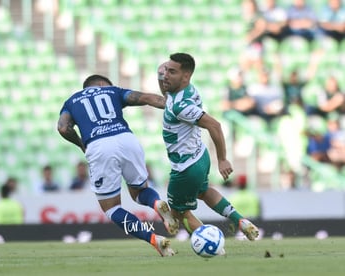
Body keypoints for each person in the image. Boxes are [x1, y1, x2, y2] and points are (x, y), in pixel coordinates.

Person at [57, 74, 179, 257]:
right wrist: (173, 105)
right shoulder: (113, 91)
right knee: (139, 191)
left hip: (99, 145)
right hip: (127, 139)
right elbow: (146, 98)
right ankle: (156, 203)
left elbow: (63, 128)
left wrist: (82, 144)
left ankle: (154, 239)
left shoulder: (71, 101)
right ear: (100, 84)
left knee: (112, 208)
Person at [157, 53, 259, 241]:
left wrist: (222, 159)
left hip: (185, 167)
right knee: (203, 192)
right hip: (199, 157)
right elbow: (163, 81)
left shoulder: (181, 105)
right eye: (166, 71)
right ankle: (241, 221)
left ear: (185, 76)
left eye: (171, 72)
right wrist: (162, 73)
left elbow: (214, 125)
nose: (165, 76)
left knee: (180, 213)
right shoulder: (186, 89)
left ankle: (211, 244)